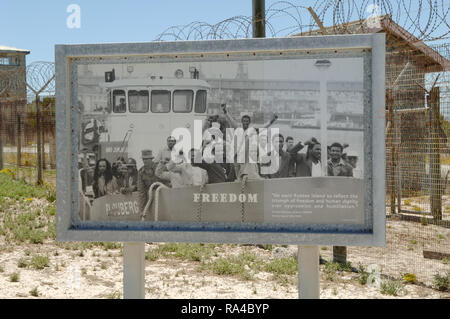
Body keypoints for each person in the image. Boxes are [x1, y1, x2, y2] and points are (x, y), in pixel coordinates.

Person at [221, 104, 278, 181]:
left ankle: (247, 179)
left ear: (249, 122)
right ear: (242, 122)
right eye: (244, 121)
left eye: (247, 121)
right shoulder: (237, 128)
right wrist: (225, 111)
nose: (245, 122)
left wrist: (272, 121)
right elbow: (231, 120)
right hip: (237, 154)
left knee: (245, 171)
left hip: (246, 155)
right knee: (237, 172)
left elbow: (264, 128)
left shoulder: (252, 131)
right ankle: (239, 181)